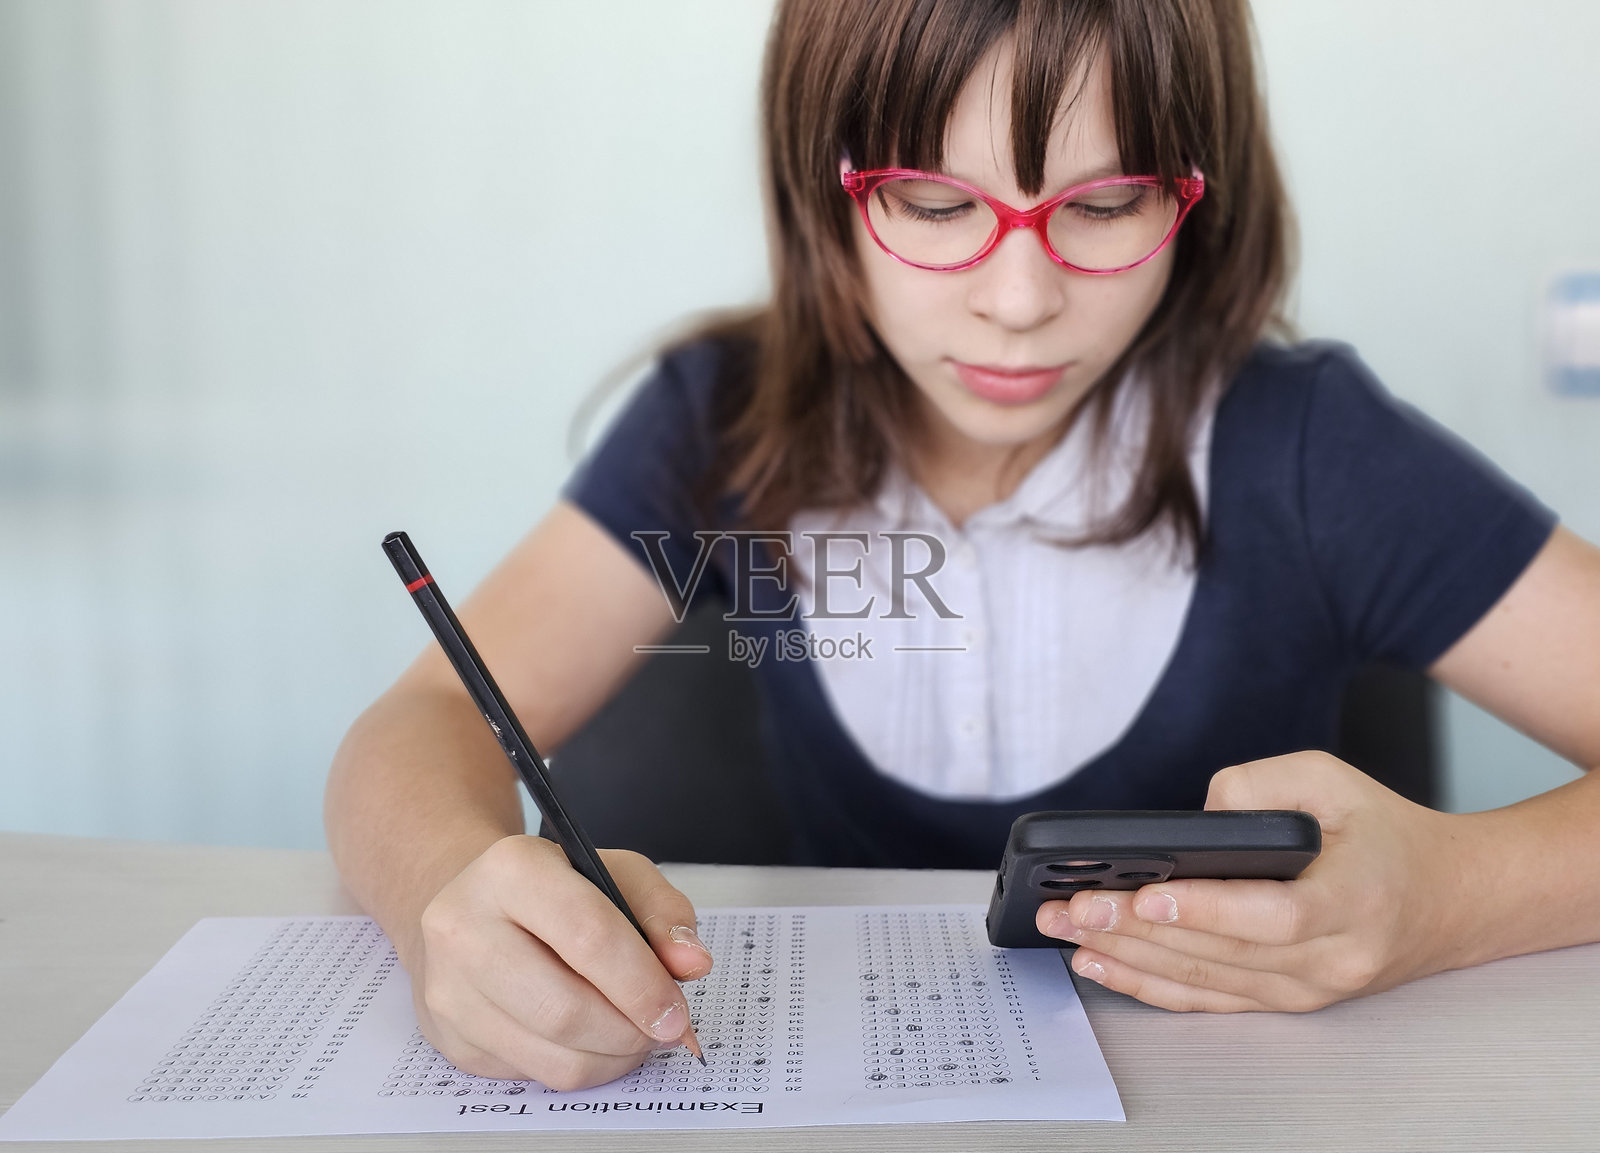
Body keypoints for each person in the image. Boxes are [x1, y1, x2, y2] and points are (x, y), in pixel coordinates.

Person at [324, 0, 1600, 1092]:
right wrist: (450, 886)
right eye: (933, 203)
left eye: (1106, 205)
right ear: (818, 188)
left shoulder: (1311, 449)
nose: (1019, 299)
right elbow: (428, 713)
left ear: (1195, 196)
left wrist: (1450, 896)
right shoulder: (717, 422)